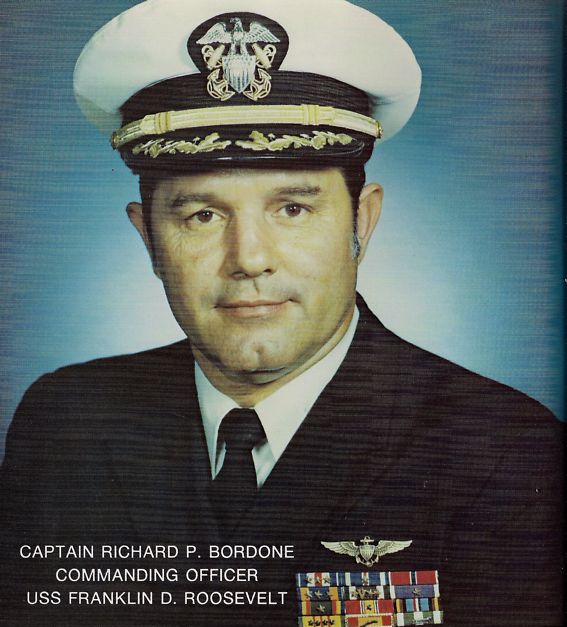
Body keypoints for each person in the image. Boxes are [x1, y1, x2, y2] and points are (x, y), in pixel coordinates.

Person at [0, 1, 562, 626]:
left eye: (293, 209)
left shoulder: (503, 451)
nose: (249, 259)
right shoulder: (66, 420)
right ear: (149, 239)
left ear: (362, 223)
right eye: (202, 215)